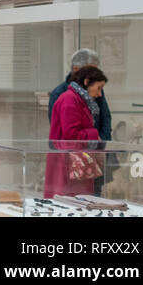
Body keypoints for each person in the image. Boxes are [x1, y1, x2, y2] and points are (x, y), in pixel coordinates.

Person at [45, 65, 107, 198]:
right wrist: (94, 135)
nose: (99, 94)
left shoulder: (77, 100)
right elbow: (71, 134)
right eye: (98, 88)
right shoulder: (70, 99)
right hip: (68, 163)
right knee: (70, 201)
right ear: (86, 82)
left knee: (78, 201)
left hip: (74, 162)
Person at [48, 49, 112, 140]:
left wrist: (102, 141)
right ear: (76, 69)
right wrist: (94, 135)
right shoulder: (64, 96)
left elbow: (105, 118)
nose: (95, 75)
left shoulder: (92, 91)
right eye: (91, 71)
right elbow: (69, 133)